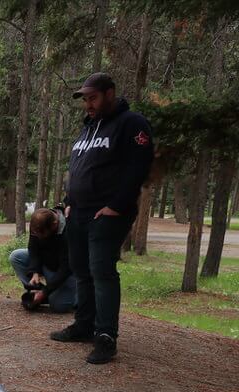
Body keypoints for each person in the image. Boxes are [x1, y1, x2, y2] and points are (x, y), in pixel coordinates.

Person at [51, 72, 154, 364]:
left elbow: (139, 165)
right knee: (81, 270)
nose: (88, 104)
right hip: (78, 212)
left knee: (102, 272)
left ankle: (106, 336)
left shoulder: (131, 123)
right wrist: (69, 203)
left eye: (93, 98)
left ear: (110, 93)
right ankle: (84, 326)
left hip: (107, 213)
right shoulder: (88, 128)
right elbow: (79, 169)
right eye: (85, 99)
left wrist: (117, 206)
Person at [9, 206, 76, 313]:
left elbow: (65, 268)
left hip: (67, 272)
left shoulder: (69, 230)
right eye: (36, 235)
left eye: (43, 235)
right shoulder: (39, 224)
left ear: (54, 224)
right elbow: (33, 249)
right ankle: (36, 291)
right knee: (16, 256)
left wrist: (45, 292)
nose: (39, 238)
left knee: (59, 306)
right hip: (48, 263)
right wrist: (35, 271)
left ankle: (74, 296)